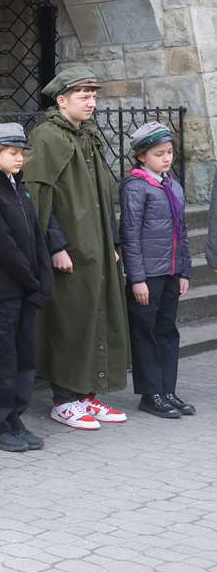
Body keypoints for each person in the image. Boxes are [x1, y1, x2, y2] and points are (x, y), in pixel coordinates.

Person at [24, 65, 130, 429]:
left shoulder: (87, 135)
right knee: (70, 320)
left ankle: (87, 395)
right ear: (61, 100)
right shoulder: (46, 137)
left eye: (94, 96)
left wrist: (112, 241)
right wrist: (55, 245)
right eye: (84, 96)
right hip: (69, 248)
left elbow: (102, 196)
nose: (92, 102)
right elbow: (41, 197)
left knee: (97, 315)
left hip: (95, 244)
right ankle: (65, 400)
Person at [0, 124, 52, 452]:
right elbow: (2, 246)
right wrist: (32, 281)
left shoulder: (19, 188)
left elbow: (37, 237)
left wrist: (43, 280)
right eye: (12, 153)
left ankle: (13, 418)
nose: (19, 158)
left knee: (23, 358)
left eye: (21, 153)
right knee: (0, 360)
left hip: (24, 290)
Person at [120, 121, 193, 419]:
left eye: (169, 152)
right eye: (159, 154)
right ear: (142, 156)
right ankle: (151, 394)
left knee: (167, 331)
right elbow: (130, 235)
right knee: (146, 333)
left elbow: (182, 232)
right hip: (148, 275)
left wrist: (184, 270)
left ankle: (167, 390)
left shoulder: (172, 185)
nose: (166, 158)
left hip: (171, 272)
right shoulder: (136, 187)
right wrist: (137, 278)